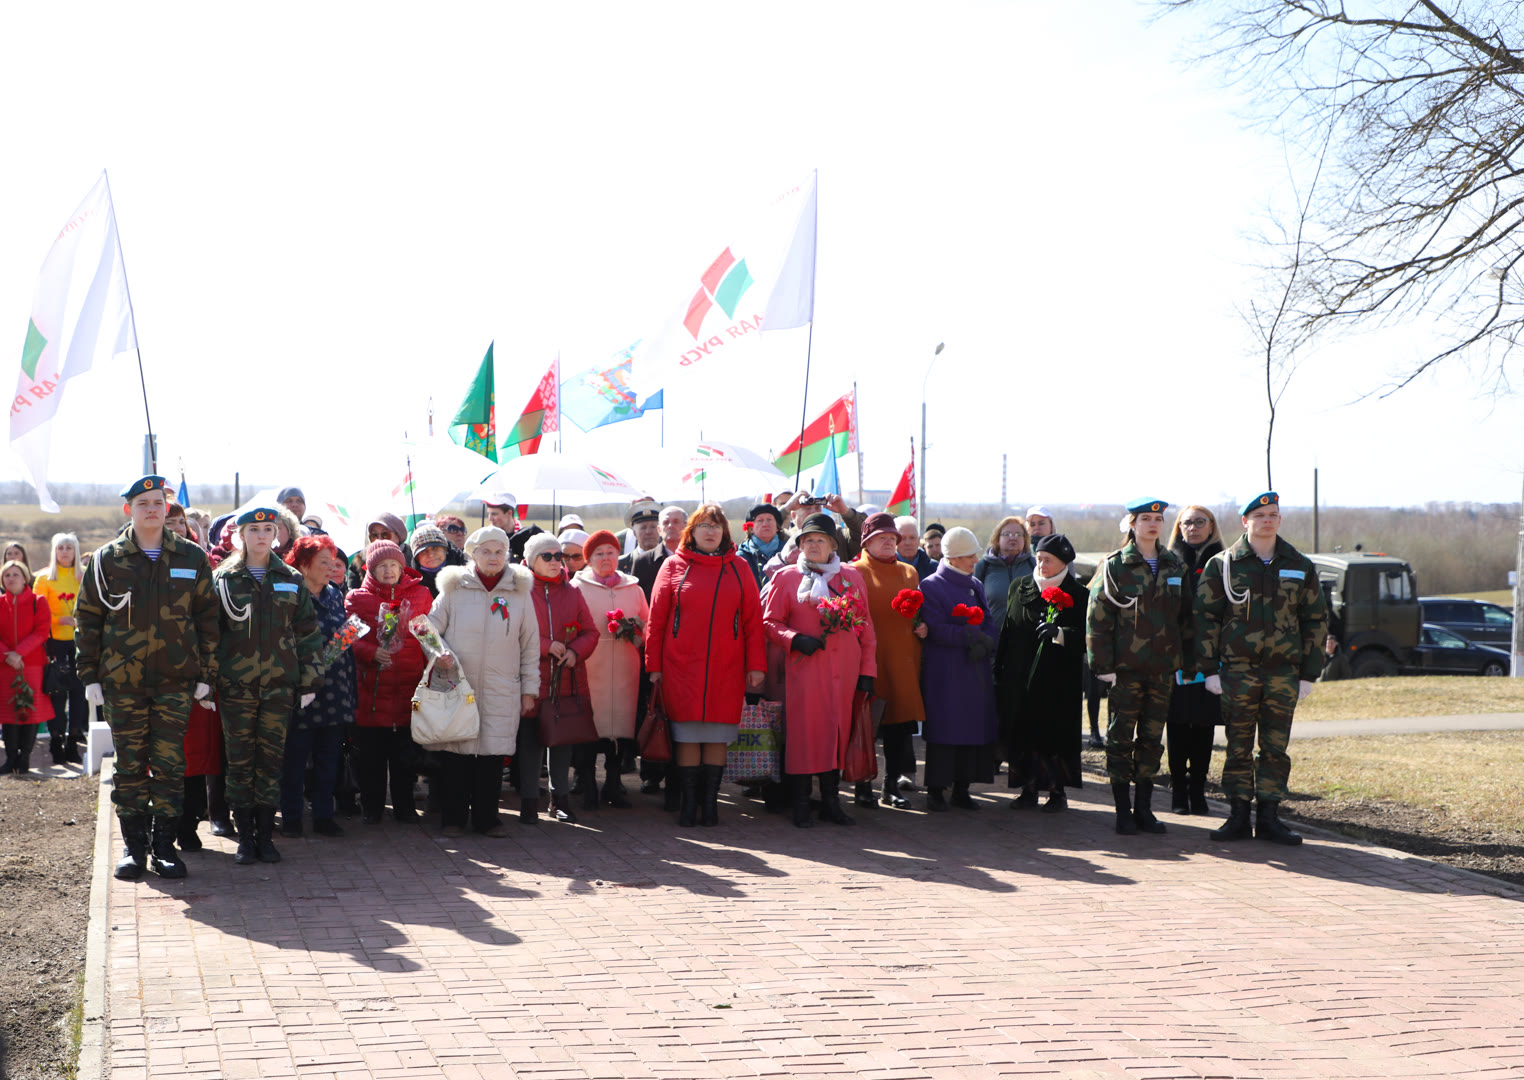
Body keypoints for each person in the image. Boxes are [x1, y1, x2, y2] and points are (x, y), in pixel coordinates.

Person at [76, 475, 219, 881]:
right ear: (130, 510)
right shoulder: (107, 559)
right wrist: (89, 674)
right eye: (143, 504)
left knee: (170, 765)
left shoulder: (192, 557)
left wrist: (206, 673)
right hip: (123, 682)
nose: (152, 509)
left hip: (176, 681)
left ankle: (165, 848)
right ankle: (134, 848)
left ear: (166, 507)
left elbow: (209, 619)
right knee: (131, 766)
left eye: (158, 502)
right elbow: (87, 618)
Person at [1196, 491, 1328, 846]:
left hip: (1283, 673)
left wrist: (1308, 673)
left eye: (1273, 514)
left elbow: (1315, 620)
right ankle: (1238, 815)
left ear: (1280, 520)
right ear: (1245, 521)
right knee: (1238, 746)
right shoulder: (1222, 565)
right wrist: (1208, 669)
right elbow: (1205, 619)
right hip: (1237, 670)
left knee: (1275, 748)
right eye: (1260, 515)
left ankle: (1270, 816)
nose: (1267, 520)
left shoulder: (1299, 564)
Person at [212, 508, 323, 864]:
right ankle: (245, 836)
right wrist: (206, 681)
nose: (261, 535)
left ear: (276, 534)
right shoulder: (223, 579)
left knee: (271, 762)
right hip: (236, 688)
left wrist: (309, 681)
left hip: (279, 687)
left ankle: (265, 835)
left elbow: (307, 632)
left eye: (268, 529)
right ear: (241, 534)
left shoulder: (290, 577)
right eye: (254, 529)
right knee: (240, 762)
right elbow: (209, 634)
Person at [645, 504, 766, 827]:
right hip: (679, 667)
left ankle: (710, 805)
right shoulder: (673, 566)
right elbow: (655, 622)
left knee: (716, 735)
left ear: (725, 532)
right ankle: (688, 805)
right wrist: (653, 665)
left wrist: (756, 665)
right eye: (703, 526)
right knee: (686, 735)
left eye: (716, 525)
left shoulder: (740, 567)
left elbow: (754, 620)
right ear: (692, 532)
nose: (710, 531)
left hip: (728, 668)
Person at [763, 513, 877, 827]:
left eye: (820, 540)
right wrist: (796, 639)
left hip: (844, 670)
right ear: (799, 545)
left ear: (832, 545)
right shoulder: (786, 577)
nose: (813, 546)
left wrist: (868, 670)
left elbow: (865, 626)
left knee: (836, 734)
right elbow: (770, 623)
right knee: (804, 735)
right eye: (807, 540)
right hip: (804, 670)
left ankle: (830, 801)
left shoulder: (851, 576)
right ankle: (801, 803)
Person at [1087, 500, 1194, 836]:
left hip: (1162, 669)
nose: (1152, 524)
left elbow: (1187, 619)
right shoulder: (1114, 566)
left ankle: (1144, 808)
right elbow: (1097, 620)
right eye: (1145, 519)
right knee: (1120, 739)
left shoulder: (1174, 564)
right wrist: (1102, 665)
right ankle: (1122, 810)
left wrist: (1189, 664)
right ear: (1131, 524)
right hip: (1125, 670)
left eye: (1158, 519)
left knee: (1151, 740)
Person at [425, 526, 540, 835]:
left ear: (507, 555)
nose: (493, 557)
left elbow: (530, 645)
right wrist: (441, 655)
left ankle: (488, 819)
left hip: (502, 688)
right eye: (485, 551)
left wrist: (530, 690)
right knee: (457, 756)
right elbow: (427, 630)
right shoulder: (453, 588)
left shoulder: (519, 593)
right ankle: (453, 819)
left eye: (499, 551)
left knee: (491, 757)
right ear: (472, 554)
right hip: (457, 685)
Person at [995, 533, 1089, 812]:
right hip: (1020, 675)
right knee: (1023, 731)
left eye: (1048, 560)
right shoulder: (1020, 586)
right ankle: (1028, 787)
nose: (1042, 564)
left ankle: (1057, 791)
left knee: (1054, 733)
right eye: (1039, 559)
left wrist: (1061, 633)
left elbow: (1088, 637)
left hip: (1059, 680)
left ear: (1063, 563)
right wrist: (999, 667)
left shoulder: (1079, 594)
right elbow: (1007, 630)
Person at [344, 537, 432, 825]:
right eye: (381, 565)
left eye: (394, 564)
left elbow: (430, 634)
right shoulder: (358, 599)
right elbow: (344, 640)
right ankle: (372, 807)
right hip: (372, 689)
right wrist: (371, 652)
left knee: (404, 757)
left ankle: (405, 808)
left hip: (409, 689)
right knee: (371, 757)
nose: (389, 570)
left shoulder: (420, 595)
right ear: (370, 568)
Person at [917, 527, 999, 811]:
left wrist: (988, 641)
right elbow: (936, 629)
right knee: (945, 730)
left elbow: (987, 620)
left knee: (972, 729)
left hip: (974, 670)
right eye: (968, 556)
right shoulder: (931, 586)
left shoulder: (974, 584)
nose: (974, 560)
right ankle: (936, 790)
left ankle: (963, 789)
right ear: (953, 558)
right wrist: (971, 637)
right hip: (947, 672)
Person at [280, 535, 356, 839]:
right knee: (295, 760)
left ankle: (324, 815)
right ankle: (291, 817)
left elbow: (341, 632)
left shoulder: (335, 593)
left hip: (335, 688)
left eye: (333, 561)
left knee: (329, 757)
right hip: (303, 689)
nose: (331, 567)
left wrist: (348, 635)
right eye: (323, 562)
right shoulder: (290, 596)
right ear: (303, 564)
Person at [851, 512, 926, 808]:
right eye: (881, 538)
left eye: (892, 538)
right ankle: (862, 785)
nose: (888, 543)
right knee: (865, 727)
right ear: (867, 542)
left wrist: (924, 625)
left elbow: (916, 611)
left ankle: (890, 786)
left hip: (904, 659)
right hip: (869, 660)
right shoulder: (854, 571)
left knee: (898, 729)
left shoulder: (909, 572)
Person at [523, 534, 599, 823]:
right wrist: (546, 645)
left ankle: (560, 800)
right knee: (530, 745)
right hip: (532, 678)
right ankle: (529, 802)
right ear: (532, 561)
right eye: (548, 556)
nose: (556, 561)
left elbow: (591, 632)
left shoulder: (572, 591)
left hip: (566, 679)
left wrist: (575, 652)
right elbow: (513, 633)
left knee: (561, 743)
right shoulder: (521, 591)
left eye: (559, 556)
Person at [570, 530, 648, 810]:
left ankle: (614, 783)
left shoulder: (634, 588)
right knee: (592, 728)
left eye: (611, 553)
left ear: (619, 555)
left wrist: (636, 630)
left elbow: (647, 625)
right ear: (588, 559)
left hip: (626, 666)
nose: (606, 558)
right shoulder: (577, 587)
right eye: (599, 554)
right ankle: (588, 782)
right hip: (591, 666)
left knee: (621, 728)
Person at [1165, 505, 1224, 814]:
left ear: (1211, 526)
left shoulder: (1224, 561)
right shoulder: (1169, 561)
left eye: (1200, 522)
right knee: (1176, 726)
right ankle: (1178, 793)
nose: (1193, 528)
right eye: (1187, 522)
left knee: (1203, 727)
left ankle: (1198, 792)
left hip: (1210, 659)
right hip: (1176, 658)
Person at [630, 504, 685, 801]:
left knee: (677, 714)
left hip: (684, 652)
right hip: (652, 651)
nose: (671, 526)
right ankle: (650, 773)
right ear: (660, 529)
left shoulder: (695, 560)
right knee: (651, 711)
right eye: (667, 522)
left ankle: (676, 776)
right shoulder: (643, 561)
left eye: (678, 521)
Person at [34, 533, 87, 765]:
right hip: (55, 642)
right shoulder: (44, 578)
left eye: (69, 547)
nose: (65, 552)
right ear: (54, 552)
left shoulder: (84, 577)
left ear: (76, 551)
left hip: (80, 643)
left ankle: (74, 743)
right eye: (60, 548)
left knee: (78, 695)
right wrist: (60, 620)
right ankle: (56, 742)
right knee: (57, 694)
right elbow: (37, 613)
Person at [1, 560, 54, 776]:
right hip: (5, 666)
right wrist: (8, 655)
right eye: (7, 575)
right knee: (8, 714)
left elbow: (42, 631)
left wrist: (19, 653)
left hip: (31, 664)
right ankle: (10, 757)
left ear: (25, 578)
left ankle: (25, 758)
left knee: (30, 712)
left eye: (15, 574)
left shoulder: (38, 601)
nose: (11, 578)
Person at [973, 516, 1035, 628]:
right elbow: (972, 602)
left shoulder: (1034, 565)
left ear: (1025, 540)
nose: (1013, 538)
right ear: (997, 539)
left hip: (1027, 638)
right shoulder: (984, 566)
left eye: (1018, 534)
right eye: (1007, 534)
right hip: (992, 637)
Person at [346, 513, 410, 589]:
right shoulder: (360, 560)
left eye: (385, 534)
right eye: (374, 536)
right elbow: (353, 595)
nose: (379, 539)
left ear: (398, 535)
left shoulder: (412, 558)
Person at [408, 522, 466, 598]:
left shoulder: (466, 575)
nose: (431, 555)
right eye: (424, 551)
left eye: (435, 548)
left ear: (446, 549)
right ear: (416, 558)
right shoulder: (409, 585)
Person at [738, 503, 785, 587]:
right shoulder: (742, 556)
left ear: (777, 527)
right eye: (760, 520)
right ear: (751, 529)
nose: (765, 524)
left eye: (769, 519)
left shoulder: (788, 552)